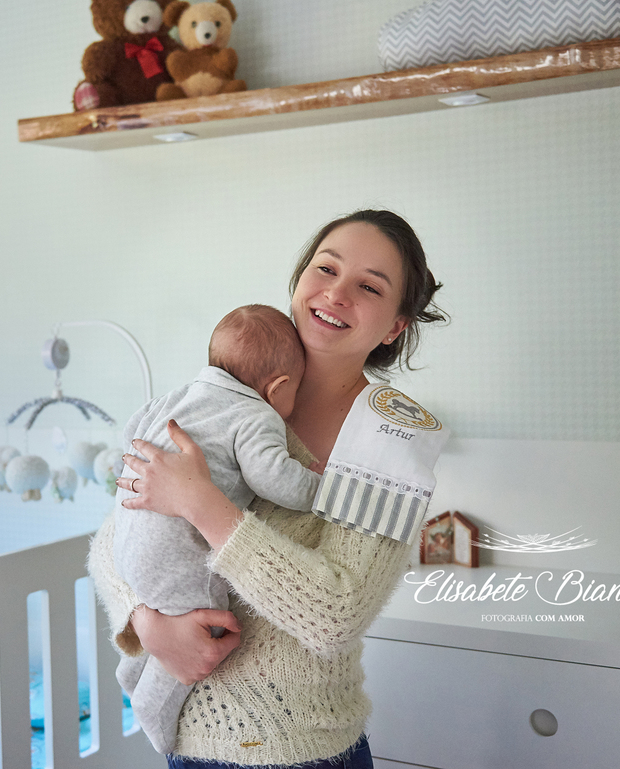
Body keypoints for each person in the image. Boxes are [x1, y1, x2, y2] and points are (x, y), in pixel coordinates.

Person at [87, 209, 448, 769]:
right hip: (187, 747)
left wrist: (202, 504)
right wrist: (146, 622)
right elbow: (117, 536)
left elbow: (335, 616)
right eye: (325, 269)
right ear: (300, 279)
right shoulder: (230, 397)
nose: (336, 293)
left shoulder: (388, 440)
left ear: (395, 326)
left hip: (299, 752)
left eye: (369, 286)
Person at [114, 303, 324, 754]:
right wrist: (318, 487)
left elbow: (131, 432)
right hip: (176, 555)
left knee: (162, 609)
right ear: (279, 387)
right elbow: (274, 478)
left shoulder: (177, 397)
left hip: (129, 538)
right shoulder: (256, 414)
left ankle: (130, 671)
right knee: (204, 624)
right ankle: (154, 710)